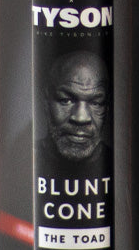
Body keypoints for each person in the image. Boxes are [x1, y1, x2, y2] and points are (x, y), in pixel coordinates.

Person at [37, 49, 112, 177]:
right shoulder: (23, 161)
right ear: (46, 102)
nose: (81, 118)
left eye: (96, 103)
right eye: (66, 100)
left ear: (107, 107)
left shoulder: (119, 164)